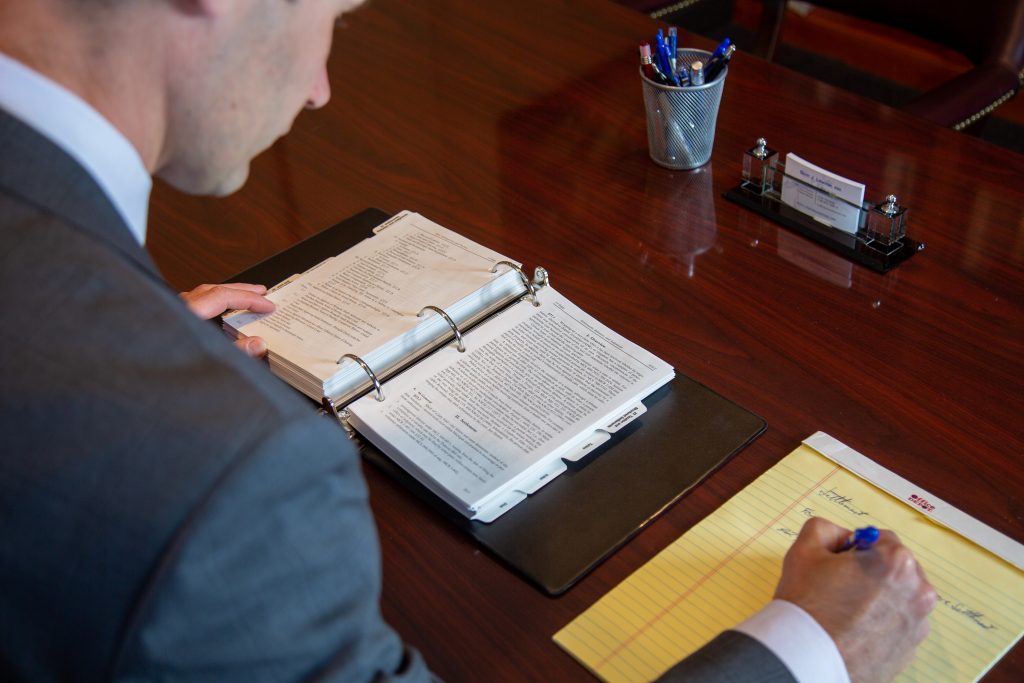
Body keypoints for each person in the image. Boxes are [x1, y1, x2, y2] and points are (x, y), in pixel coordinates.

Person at [0, 1, 936, 681]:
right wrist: (816, 649)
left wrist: (110, 318)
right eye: (336, 16)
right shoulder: (227, 482)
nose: (322, 87)